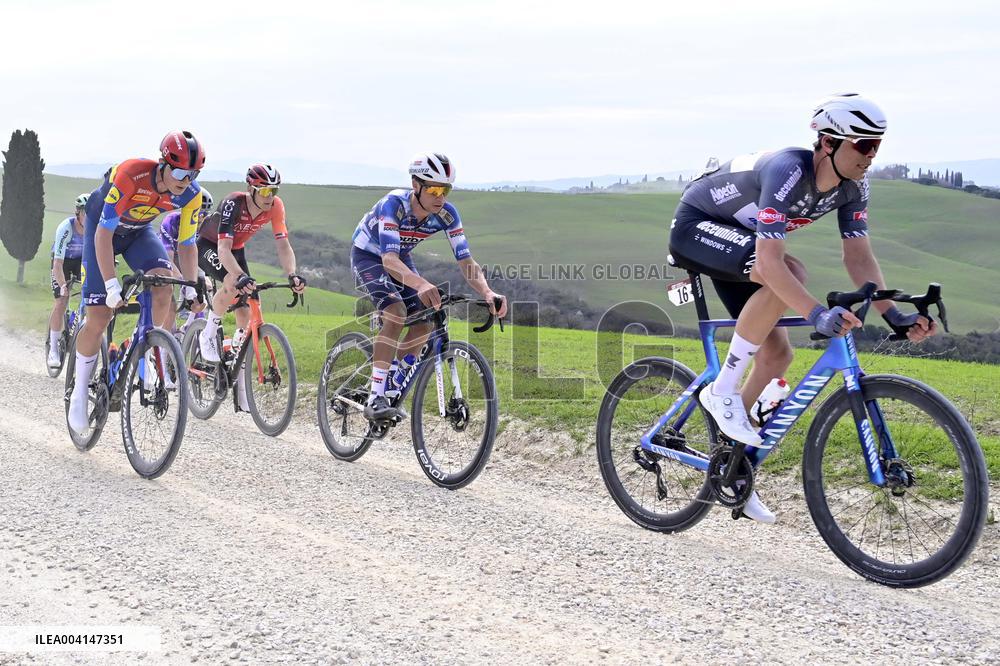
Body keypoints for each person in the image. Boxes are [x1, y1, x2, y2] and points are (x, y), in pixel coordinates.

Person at [667, 94, 936, 524]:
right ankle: (722, 393)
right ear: (828, 142)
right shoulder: (789, 170)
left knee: (778, 355)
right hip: (699, 227)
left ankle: (732, 464)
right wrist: (815, 314)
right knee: (785, 274)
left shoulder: (853, 187)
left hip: (743, 241)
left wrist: (894, 314)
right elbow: (771, 265)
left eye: (877, 146)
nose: (871, 155)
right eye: (863, 144)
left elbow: (859, 259)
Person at [67, 131, 207, 435]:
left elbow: (187, 244)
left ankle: (142, 345)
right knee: (100, 315)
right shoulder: (133, 174)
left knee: (165, 282)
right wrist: (111, 283)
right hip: (102, 229)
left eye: (193, 173)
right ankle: (79, 392)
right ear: (163, 163)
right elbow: (103, 235)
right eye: (180, 171)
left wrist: (192, 284)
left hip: (138, 233)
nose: (185, 179)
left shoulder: (191, 195)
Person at [350, 152, 508, 420]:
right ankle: (376, 396)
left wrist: (487, 292)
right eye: (434, 189)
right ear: (416, 185)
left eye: (445, 190)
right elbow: (388, 260)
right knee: (396, 313)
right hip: (370, 255)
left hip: (400, 256)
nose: (440, 197)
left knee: (424, 321)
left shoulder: (447, 214)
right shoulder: (394, 205)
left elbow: (466, 260)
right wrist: (421, 283)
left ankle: (391, 377)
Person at [195, 164, 305, 364]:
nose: (269, 196)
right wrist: (238, 275)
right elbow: (223, 249)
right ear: (250, 189)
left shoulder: (276, 206)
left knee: (248, 299)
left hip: (236, 248)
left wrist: (292, 274)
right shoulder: (233, 203)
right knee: (231, 283)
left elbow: (283, 244)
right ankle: (208, 334)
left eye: (274, 190)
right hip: (210, 245)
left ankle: (236, 349)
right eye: (264, 190)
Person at [158, 188, 213, 330]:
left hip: (187, 257)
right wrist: (184, 281)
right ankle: (164, 346)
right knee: (171, 304)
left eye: (205, 214)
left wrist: (203, 277)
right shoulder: (171, 221)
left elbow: (200, 256)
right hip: (166, 255)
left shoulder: (205, 226)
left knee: (204, 285)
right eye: (199, 212)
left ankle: (190, 327)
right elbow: (168, 259)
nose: (200, 218)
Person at [47, 193, 89, 367]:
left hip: (80, 262)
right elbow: (57, 264)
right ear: (78, 213)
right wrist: (63, 285)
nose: (89, 217)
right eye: (86, 213)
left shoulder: (94, 229)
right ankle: (53, 350)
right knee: (62, 300)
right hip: (62, 262)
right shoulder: (66, 228)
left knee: (91, 296)